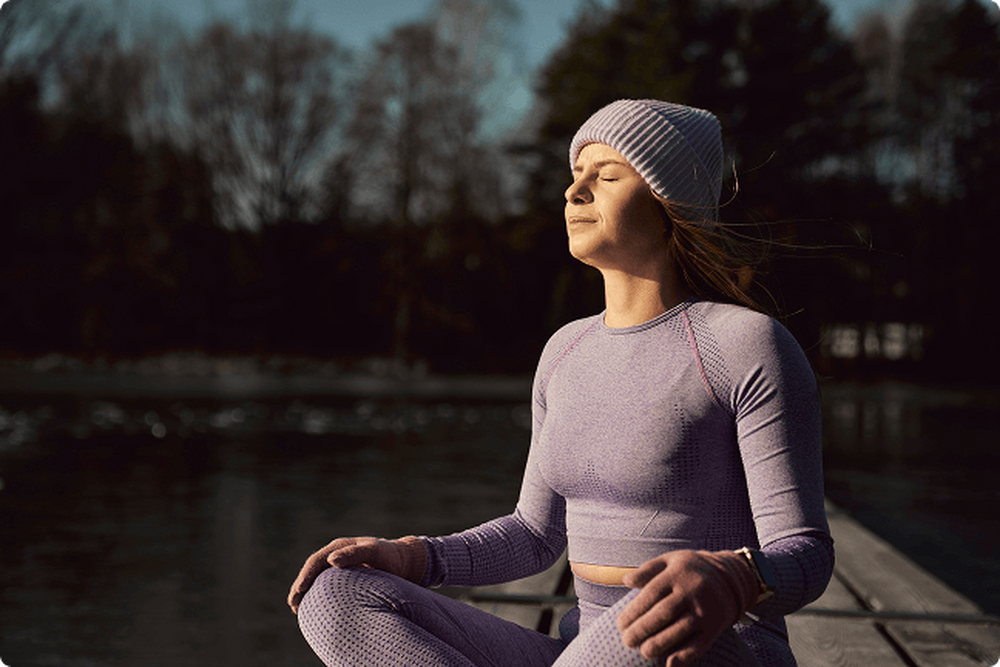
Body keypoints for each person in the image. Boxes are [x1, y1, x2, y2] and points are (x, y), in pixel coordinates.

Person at [287, 99, 833, 666]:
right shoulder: (564, 352)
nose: (574, 192)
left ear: (672, 202)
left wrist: (735, 577)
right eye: (575, 177)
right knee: (339, 594)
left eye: (608, 176)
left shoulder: (745, 344)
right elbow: (533, 534)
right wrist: (413, 557)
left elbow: (808, 555)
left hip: (712, 648)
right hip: (577, 652)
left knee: (639, 623)